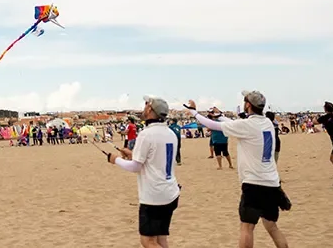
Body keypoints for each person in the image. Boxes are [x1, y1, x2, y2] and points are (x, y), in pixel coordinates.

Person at [185, 91, 290, 248]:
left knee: (247, 228)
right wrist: (219, 114)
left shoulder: (247, 125)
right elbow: (234, 124)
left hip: (254, 184)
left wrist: (194, 112)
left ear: (248, 105)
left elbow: (213, 125)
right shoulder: (267, 122)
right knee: (272, 227)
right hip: (272, 183)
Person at [107, 96, 179, 248]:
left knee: (147, 241)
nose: (144, 107)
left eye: (146, 104)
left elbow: (135, 167)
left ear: (150, 110)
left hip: (154, 197)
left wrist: (115, 160)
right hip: (170, 192)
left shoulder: (146, 134)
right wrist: (132, 155)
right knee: (161, 239)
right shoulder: (170, 133)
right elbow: (154, 160)